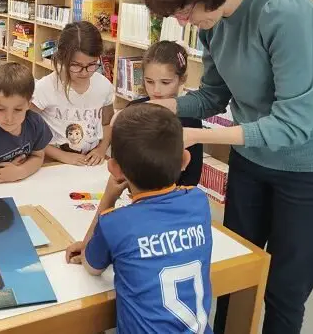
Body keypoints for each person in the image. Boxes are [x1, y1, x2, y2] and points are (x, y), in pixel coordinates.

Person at [143, 0, 313, 334]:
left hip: (305, 170)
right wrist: (163, 107)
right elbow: (212, 97)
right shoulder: (212, 25)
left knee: (284, 293)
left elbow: (293, 123)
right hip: (251, 163)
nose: (182, 22)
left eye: (184, 10)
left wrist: (198, 138)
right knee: (234, 271)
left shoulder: (283, 12)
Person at [66, 104, 212, 334]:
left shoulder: (116, 223)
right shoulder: (199, 201)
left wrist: (108, 198)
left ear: (114, 169)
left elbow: (90, 266)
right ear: (185, 160)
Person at [32, 21, 114, 166]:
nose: (85, 72)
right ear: (62, 58)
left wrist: (101, 149)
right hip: (52, 163)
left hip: (89, 163)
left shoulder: (104, 86)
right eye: (76, 65)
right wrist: (62, 155)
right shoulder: (45, 87)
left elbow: (107, 124)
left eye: (92, 64)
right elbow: (26, 130)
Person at [129, 41, 203, 186]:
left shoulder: (190, 118)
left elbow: (192, 175)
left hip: (173, 197)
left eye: (165, 82)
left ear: (182, 79)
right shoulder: (133, 110)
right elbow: (121, 161)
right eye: (149, 81)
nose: (156, 90)